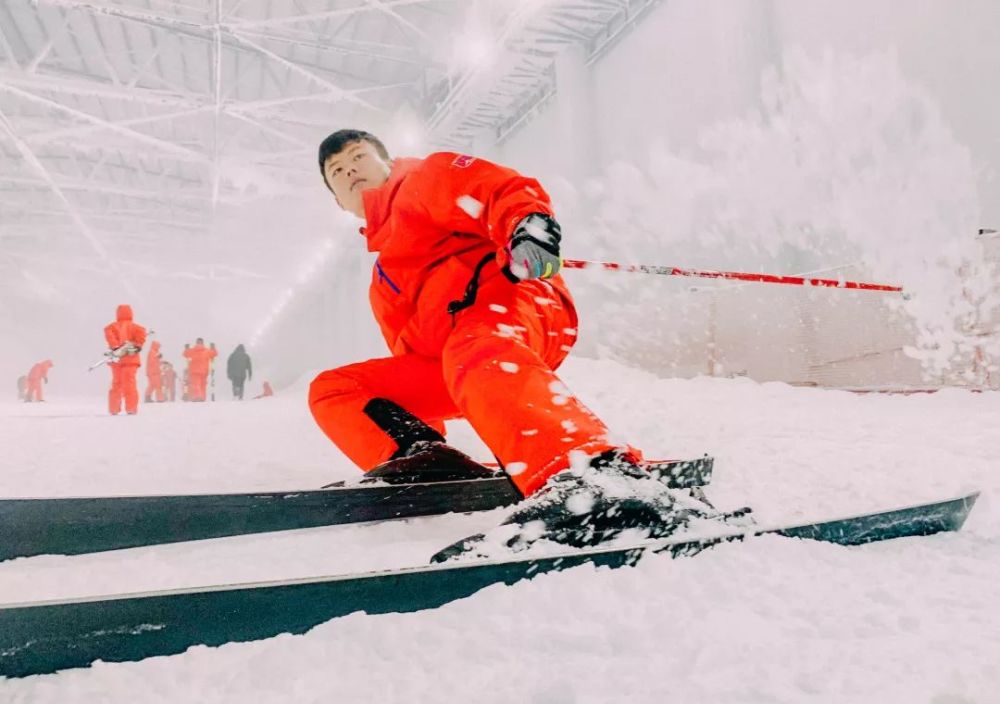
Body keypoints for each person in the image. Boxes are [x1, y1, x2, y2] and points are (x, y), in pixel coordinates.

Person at [308, 129, 731, 556]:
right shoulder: (382, 280)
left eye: (358, 158)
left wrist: (528, 227)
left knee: (473, 345)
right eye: (337, 172)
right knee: (334, 387)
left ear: (387, 162)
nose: (350, 171)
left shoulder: (424, 179)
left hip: (514, 301)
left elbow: (498, 189)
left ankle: (596, 478)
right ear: (338, 201)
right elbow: (410, 359)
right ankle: (425, 461)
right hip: (462, 359)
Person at [103, 305, 147, 415]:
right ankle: (131, 408)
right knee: (130, 384)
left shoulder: (111, 327)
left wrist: (115, 347)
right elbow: (140, 341)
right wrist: (136, 346)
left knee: (116, 383)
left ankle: (114, 409)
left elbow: (109, 336)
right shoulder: (137, 327)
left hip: (116, 359)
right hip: (131, 360)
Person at [183, 338, 217, 402]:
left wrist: (186, 348)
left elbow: (185, 354)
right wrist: (213, 348)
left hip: (194, 370)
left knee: (196, 384)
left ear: (196, 343)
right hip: (204, 371)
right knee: (203, 385)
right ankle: (203, 397)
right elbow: (214, 354)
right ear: (203, 343)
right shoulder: (207, 351)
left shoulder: (192, 351)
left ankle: (198, 396)